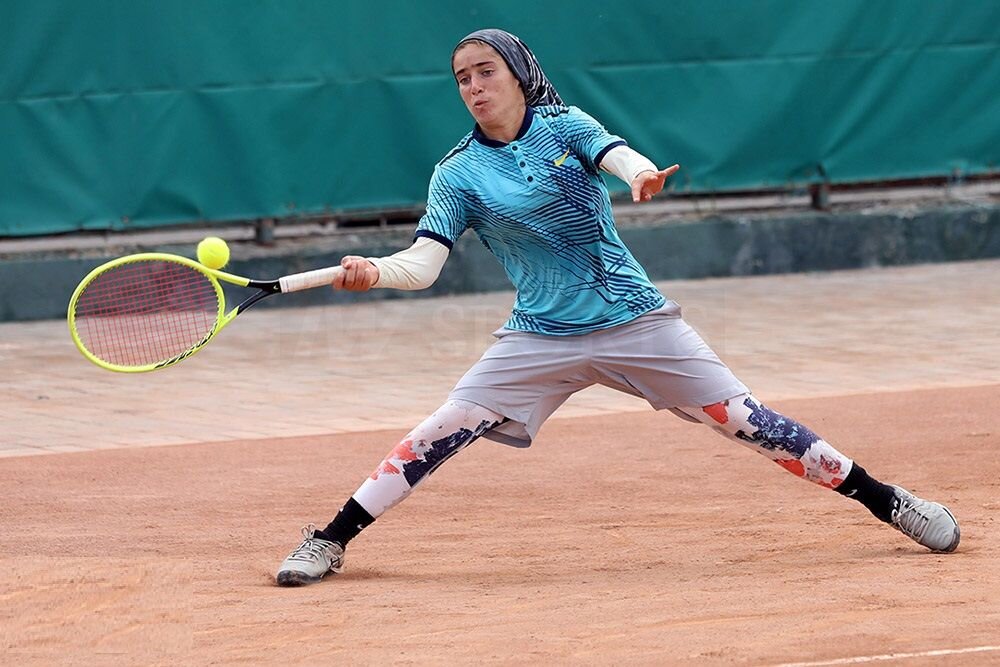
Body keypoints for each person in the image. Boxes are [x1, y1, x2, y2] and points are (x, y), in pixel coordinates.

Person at [275, 29, 960, 586]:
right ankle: (329, 539)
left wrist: (641, 174)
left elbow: (619, 155)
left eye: (486, 72)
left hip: (635, 320)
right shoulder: (457, 173)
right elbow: (423, 266)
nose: (475, 87)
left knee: (749, 422)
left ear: (518, 74)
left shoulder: (563, 125)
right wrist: (374, 272)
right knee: (438, 430)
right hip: (540, 335)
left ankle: (890, 501)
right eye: (463, 79)